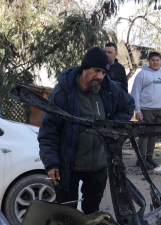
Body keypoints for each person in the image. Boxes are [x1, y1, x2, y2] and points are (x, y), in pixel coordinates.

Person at [38, 47, 135, 215]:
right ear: (85, 68)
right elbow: (48, 131)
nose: (100, 76)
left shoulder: (109, 89)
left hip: (98, 165)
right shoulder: (63, 93)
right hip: (69, 166)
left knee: (92, 212)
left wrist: (111, 125)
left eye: (104, 72)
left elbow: (129, 105)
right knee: (67, 213)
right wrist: (51, 163)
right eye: (96, 70)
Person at [131, 51, 161, 170]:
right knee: (144, 134)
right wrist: (137, 110)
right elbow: (135, 93)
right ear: (149, 61)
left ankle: (149, 156)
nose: (155, 62)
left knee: (154, 134)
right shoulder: (142, 74)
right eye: (153, 60)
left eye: (157, 60)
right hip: (146, 109)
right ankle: (141, 158)